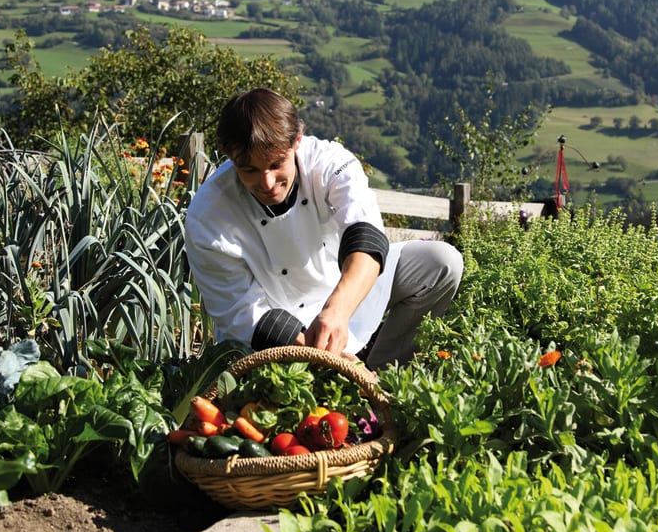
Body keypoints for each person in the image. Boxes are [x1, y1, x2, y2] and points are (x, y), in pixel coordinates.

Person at [184, 87, 463, 369]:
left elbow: (366, 234)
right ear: (231, 160)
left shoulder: (329, 162)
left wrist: (338, 311)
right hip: (274, 332)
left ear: (297, 141)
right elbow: (243, 313)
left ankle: (384, 373)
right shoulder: (208, 217)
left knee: (440, 263)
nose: (267, 182)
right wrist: (323, 356)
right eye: (250, 170)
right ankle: (350, 374)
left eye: (276, 164)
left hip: (343, 292)